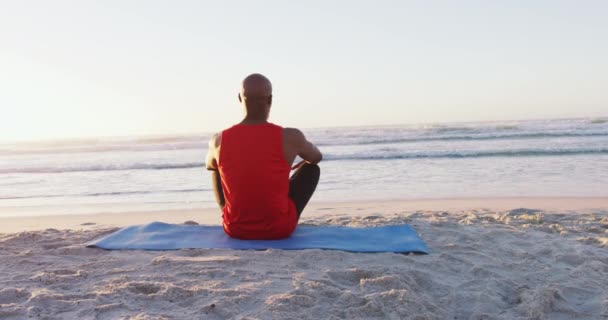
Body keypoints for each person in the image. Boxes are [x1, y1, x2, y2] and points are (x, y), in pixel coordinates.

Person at [205, 73, 322, 240]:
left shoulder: (219, 140)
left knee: (217, 167)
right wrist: (297, 159)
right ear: (270, 100)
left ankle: (230, 215)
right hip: (280, 229)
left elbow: (209, 165)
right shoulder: (290, 136)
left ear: (239, 98)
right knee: (311, 169)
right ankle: (278, 214)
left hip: (236, 230)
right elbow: (316, 157)